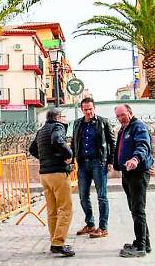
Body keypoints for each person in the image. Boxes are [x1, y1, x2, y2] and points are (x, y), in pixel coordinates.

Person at [29, 109, 75, 257]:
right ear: (58, 118)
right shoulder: (58, 127)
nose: (66, 119)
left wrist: (45, 158)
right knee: (65, 208)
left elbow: (32, 148)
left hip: (45, 174)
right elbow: (57, 140)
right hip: (57, 173)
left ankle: (54, 241)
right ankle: (58, 243)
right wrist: (68, 155)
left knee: (52, 210)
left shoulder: (41, 130)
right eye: (64, 117)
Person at [113, 104, 153, 258]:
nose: (120, 118)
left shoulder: (138, 126)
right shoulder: (124, 129)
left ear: (130, 112)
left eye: (122, 115)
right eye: (118, 116)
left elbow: (144, 145)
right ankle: (143, 242)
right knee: (134, 209)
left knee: (138, 210)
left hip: (137, 174)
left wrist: (136, 159)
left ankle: (141, 246)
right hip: (127, 173)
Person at [71, 97, 115, 239]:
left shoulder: (103, 122)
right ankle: (90, 224)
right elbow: (74, 143)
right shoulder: (77, 124)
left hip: (98, 163)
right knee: (83, 196)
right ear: (81, 110)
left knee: (102, 196)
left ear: (94, 108)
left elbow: (112, 142)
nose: (88, 111)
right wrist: (72, 160)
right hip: (83, 164)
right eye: (85, 109)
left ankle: (103, 227)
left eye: (90, 109)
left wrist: (110, 161)